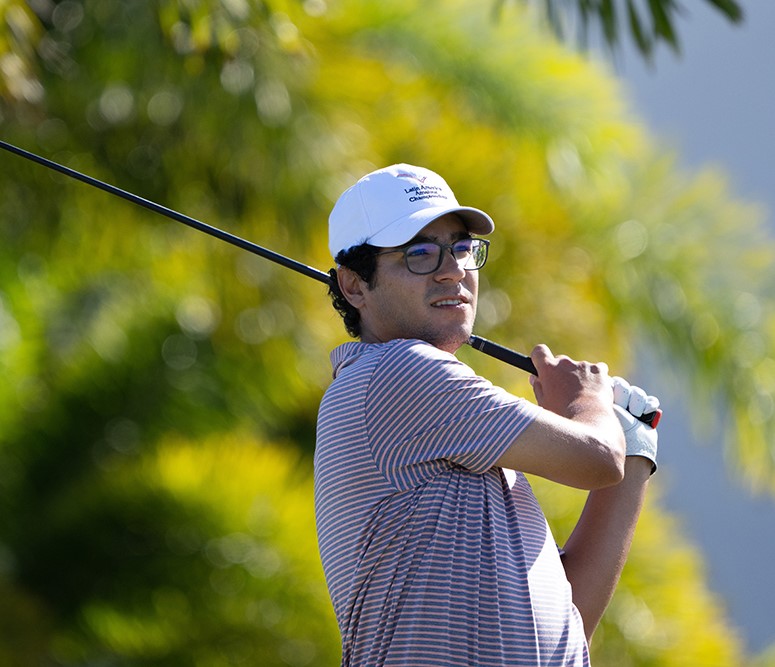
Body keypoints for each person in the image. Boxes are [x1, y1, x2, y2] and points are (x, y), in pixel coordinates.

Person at [314, 163, 659, 666]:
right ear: (354, 286)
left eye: (459, 248)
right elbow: (597, 457)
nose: (452, 270)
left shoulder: (450, 425)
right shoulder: (397, 374)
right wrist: (587, 401)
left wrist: (637, 448)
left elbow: (565, 625)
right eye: (419, 254)